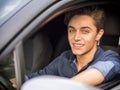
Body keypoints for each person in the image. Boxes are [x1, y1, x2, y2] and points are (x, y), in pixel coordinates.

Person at [26, 6, 120, 86]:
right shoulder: (64, 58)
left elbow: (97, 72)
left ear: (99, 34)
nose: (76, 37)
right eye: (72, 30)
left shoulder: (110, 58)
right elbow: (35, 78)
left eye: (85, 31)